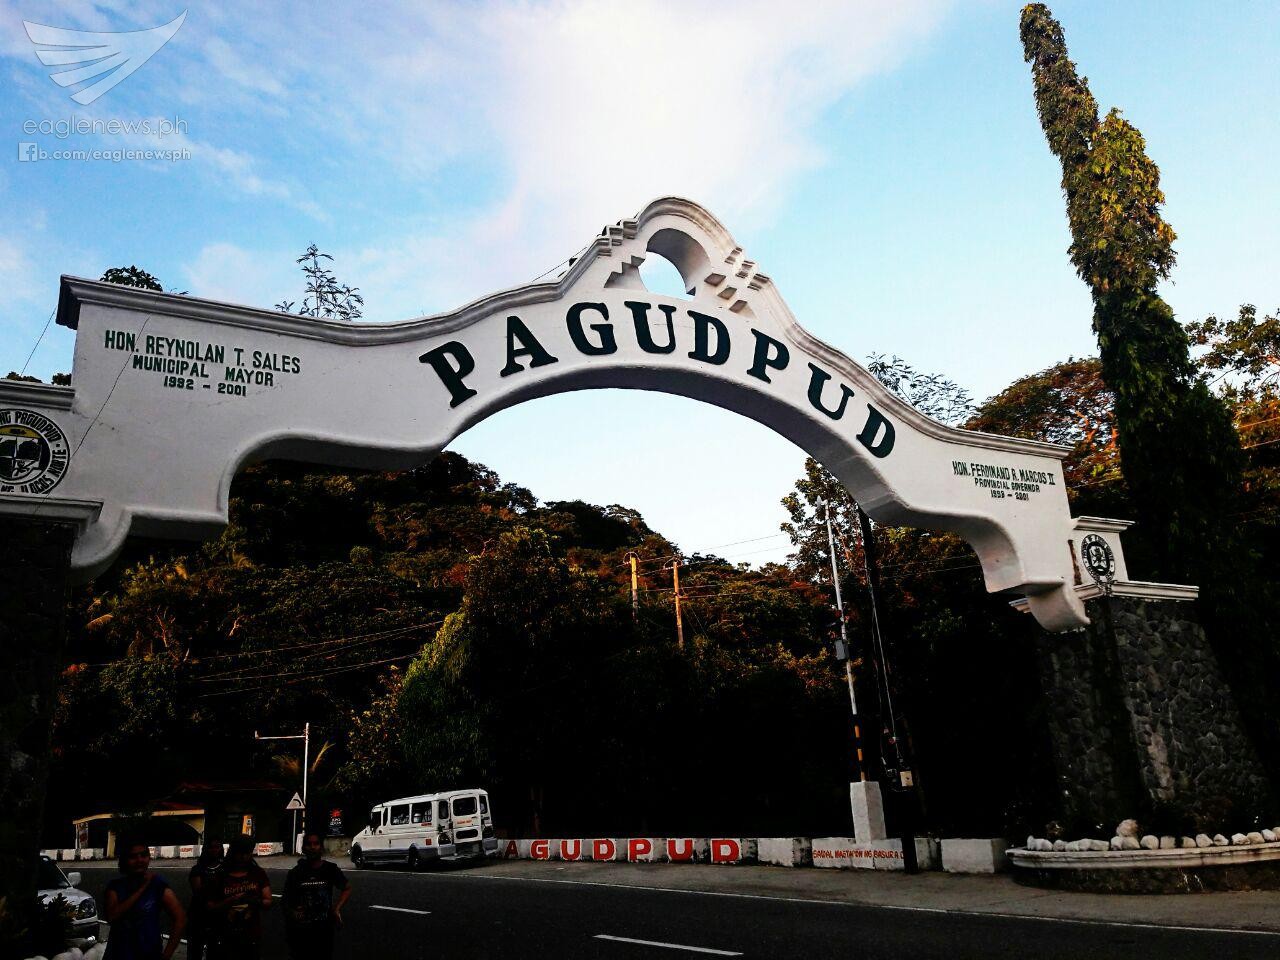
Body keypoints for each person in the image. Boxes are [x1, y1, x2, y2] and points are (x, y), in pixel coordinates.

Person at [103, 839, 186, 960]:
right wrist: (143, 887)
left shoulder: (157, 885)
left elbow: (180, 918)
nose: (139, 860)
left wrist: (166, 955)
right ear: (125, 860)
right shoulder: (115, 886)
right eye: (133, 857)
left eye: (143, 855)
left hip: (149, 953)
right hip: (118, 953)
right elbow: (112, 916)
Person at [282, 831, 351, 960]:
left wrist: (336, 909)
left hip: (324, 931)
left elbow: (347, 888)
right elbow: (285, 901)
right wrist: (293, 913)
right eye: (309, 844)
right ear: (303, 848)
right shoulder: (295, 873)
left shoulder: (330, 869)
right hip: (301, 933)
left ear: (321, 847)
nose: (312, 847)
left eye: (316, 844)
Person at [206, 835, 272, 960]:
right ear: (233, 853)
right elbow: (210, 907)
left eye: (247, 853)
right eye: (240, 853)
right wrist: (230, 901)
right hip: (225, 936)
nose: (243, 857)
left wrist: (252, 900)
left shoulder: (257, 873)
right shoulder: (221, 875)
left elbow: (268, 900)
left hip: (251, 935)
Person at [185, 842, 224, 960]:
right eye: (211, 847)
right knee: (195, 950)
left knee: (214, 950)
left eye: (217, 847)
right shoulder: (197, 869)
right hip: (198, 915)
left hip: (217, 916)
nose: (214, 850)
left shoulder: (224, 868)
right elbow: (198, 892)